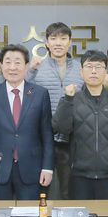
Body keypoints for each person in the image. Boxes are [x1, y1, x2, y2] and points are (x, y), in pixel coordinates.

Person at [53, 50, 108, 199]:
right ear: (81, 72)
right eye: (89, 66)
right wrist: (67, 100)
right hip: (78, 176)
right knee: (80, 214)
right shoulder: (72, 99)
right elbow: (60, 128)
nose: (93, 71)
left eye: (98, 67)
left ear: (106, 71)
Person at [0, 44, 54, 200]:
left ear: (26, 66)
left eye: (18, 62)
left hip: (32, 168)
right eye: (8, 62)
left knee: (30, 213)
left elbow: (47, 134)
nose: (12, 67)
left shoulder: (40, 94)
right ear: (0, 66)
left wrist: (48, 167)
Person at [26, 22, 83, 200]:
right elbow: (25, 93)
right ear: (46, 42)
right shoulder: (37, 67)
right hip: (43, 137)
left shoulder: (81, 68)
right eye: (53, 38)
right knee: (42, 189)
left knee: (69, 191)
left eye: (63, 38)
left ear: (70, 42)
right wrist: (30, 71)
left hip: (73, 138)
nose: (58, 43)